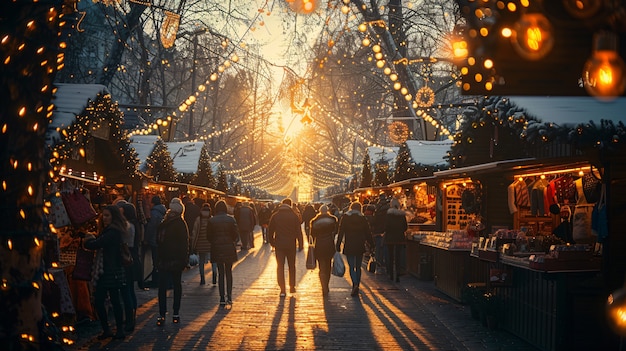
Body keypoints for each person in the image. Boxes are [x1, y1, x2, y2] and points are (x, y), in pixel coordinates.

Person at [83, 205, 127, 340]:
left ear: (113, 217)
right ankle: (111, 329)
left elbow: (96, 244)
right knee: (109, 300)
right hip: (109, 270)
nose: (104, 218)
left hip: (109, 270)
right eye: (103, 215)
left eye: (107, 215)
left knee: (106, 300)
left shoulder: (113, 232)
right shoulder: (111, 230)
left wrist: (88, 239)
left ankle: (115, 330)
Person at [155, 197, 189, 326]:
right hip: (175, 260)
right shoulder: (180, 223)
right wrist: (184, 260)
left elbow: (159, 241)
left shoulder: (165, 222)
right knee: (176, 286)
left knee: (163, 287)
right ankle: (175, 313)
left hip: (165, 259)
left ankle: (163, 314)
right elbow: (185, 243)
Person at [336, 202, 374, 296]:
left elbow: (341, 232)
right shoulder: (363, 218)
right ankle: (357, 284)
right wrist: (372, 244)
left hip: (349, 244)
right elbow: (367, 232)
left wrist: (338, 244)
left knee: (351, 266)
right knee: (358, 266)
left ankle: (355, 284)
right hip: (359, 245)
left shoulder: (345, 218)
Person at [268, 198, 304, 297]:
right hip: (291, 245)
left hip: (279, 245)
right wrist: (300, 244)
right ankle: (292, 286)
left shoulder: (275, 216)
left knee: (280, 267)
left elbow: (270, 231)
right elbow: (298, 231)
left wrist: (272, 242)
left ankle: (282, 289)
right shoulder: (294, 216)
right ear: (290, 205)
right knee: (291, 266)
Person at [206, 200, 239, 305]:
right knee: (229, 272)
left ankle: (221, 298)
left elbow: (208, 236)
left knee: (221, 273)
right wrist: (231, 241)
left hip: (217, 248)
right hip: (229, 248)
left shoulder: (212, 220)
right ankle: (229, 296)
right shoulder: (231, 219)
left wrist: (214, 242)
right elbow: (235, 235)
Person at [115, 200, 137, 332]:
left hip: (126, 260)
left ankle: (130, 319)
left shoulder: (127, 226)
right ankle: (131, 316)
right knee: (129, 289)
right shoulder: (133, 225)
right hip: (131, 260)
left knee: (126, 290)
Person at [309, 205, 337, 297]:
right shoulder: (333, 220)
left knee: (321, 267)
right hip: (329, 244)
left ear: (320, 211)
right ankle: (326, 285)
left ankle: (323, 285)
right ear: (327, 210)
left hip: (319, 245)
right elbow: (335, 231)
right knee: (328, 266)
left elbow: (312, 235)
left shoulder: (314, 221)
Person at [191, 203, 218, 285]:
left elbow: (195, 232)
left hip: (200, 244)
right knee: (213, 261)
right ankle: (214, 275)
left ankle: (202, 278)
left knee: (201, 262)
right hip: (210, 244)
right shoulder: (212, 220)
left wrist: (193, 245)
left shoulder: (198, 220)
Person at [143, 195, 166, 287]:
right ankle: (158, 279)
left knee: (155, 261)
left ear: (153, 203)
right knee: (159, 260)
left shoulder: (154, 213)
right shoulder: (164, 211)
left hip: (154, 239)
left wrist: (146, 239)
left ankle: (156, 280)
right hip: (161, 240)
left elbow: (151, 227)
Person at [384, 198, 408, 282]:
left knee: (390, 256)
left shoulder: (388, 215)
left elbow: (386, 226)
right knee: (398, 256)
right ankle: (397, 274)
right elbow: (405, 227)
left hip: (390, 238)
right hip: (399, 238)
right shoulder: (402, 215)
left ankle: (390, 274)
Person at [372, 194, 390, 272]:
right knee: (385, 247)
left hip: (378, 231)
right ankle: (385, 262)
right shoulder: (388, 209)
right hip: (386, 231)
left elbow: (375, 221)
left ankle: (378, 260)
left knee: (378, 247)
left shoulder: (377, 209)